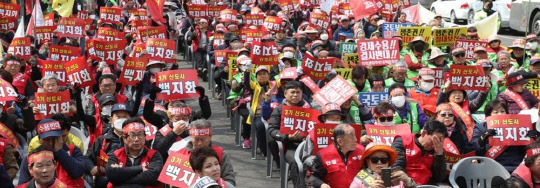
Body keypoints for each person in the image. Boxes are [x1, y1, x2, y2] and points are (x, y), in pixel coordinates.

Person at [18, 118, 87, 187]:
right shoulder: (31, 158)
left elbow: (78, 172)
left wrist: (60, 152)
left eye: (54, 139)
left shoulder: (73, 150)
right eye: (47, 139)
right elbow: (23, 185)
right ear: (39, 139)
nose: (51, 143)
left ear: (60, 137)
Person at [268, 80, 311, 187]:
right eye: (292, 92)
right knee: (296, 162)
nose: (295, 95)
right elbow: (272, 130)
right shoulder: (279, 110)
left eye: (298, 92)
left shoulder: (309, 109)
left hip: (308, 145)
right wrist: (288, 137)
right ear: (285, 94)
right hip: (289, 146)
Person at [472, 100, 526, 172]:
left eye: (502, 111)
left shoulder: (516, 126)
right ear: (488, 115)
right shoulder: (481, 128)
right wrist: (483, 138)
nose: (500, 114)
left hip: (515, 164)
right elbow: (473, 148)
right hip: (492, 165)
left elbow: (524, 150)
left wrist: (529, 137)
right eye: (496, 112)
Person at [106, 118, 163, 187]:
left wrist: (121, 178)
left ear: (145, 136)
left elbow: (152, 176)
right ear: (124, 139)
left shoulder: (154, 155)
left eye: (140, 134)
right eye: (132, 135)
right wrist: (140, 169)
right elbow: (111, 175)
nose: (136, 139)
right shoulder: (116, 155)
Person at [176, 120, 236, 186]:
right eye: (196, 139)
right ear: (191, 137)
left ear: (210, 137)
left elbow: (229, 179)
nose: (199, 143)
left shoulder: (221, 154)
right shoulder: (180, 155)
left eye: (203, 139)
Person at [85, 104, 131, 187]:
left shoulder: (136, 140)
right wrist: (91, 168)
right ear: (111, 120)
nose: (121, 120)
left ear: (130, 120)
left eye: (124, 117)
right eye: (118, 117)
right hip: (106, 180)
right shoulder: (102, 140)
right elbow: (87, 158)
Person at [391, 120, 447, 185]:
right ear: (423, 133)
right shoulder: (402, 141)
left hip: (426, 185)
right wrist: (409, 183)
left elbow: (439, 178)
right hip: (404, 183)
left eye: (439, 141)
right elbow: (396, 168)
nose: (435, 145)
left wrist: (439, 154)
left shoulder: (437, 150)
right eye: (434, 140)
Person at [350, 142, 415, 188]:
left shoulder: (397, 177)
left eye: (384, 159)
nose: (379, 162)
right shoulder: (359, 180)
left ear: (388, 161)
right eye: (374, 159)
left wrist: (408, 181)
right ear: (367, 161)